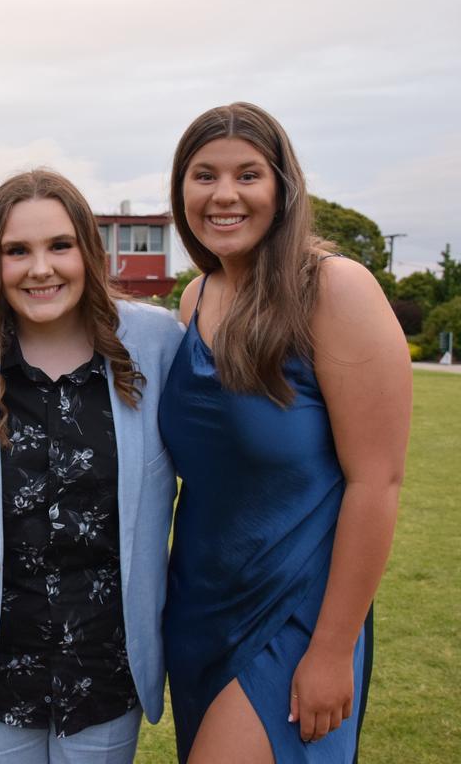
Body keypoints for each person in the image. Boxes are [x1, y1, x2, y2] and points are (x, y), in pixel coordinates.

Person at [0, 170, 184, 763]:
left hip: (108, 661)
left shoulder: (157, 342)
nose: (40, 268)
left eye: (59, 245)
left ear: (88, 249)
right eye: (16, 251)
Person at [159, 102, 411, 763]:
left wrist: (331, 649)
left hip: (294, 613)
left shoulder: (334, 290)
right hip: (198, 609)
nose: (223, 194)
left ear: (282, 187)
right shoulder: (195, 297)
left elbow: (376, 482)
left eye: (248, 175)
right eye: (203, 175)